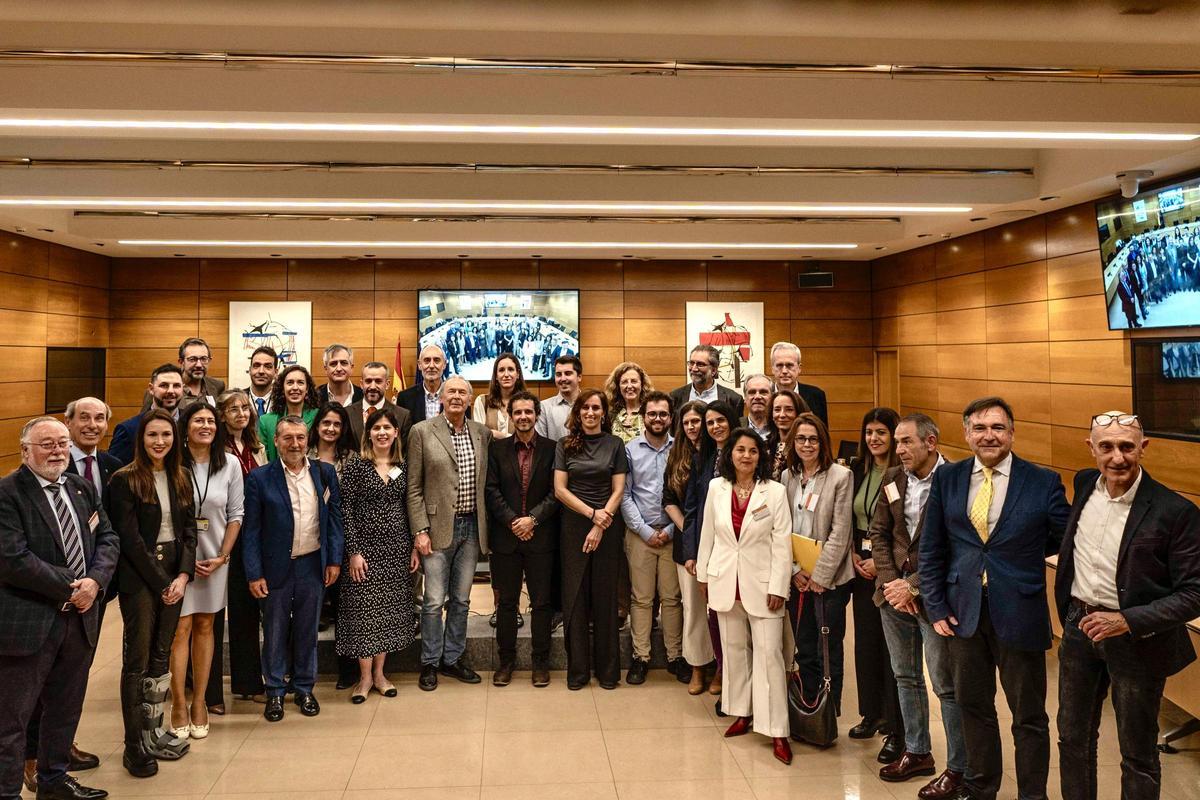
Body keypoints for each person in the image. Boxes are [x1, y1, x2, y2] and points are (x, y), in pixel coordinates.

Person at [920, 397, 1070, 800]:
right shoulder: (948, 479)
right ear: (967, 434)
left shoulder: (1042, 481)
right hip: (961, 614)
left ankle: (1032, 795)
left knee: (1029, 716)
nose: (989, 436)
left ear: (1012, 433)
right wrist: (934, 605)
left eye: (998, 428)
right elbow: (932, 548)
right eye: (980, 428)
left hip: (1020, 612)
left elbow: (1063, 540)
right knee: (973, 707)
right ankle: (981, 786)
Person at [1055, 412, 1200, 800]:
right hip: (1078, 629)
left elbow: (1194, 593)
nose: (1117, 457)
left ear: (1143, 448)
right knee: (1072, 738)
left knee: (1137, 752)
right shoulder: (1085, 484)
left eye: (1126, 447)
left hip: (1137, 641)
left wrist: (1126, 620)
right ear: (1091, 449)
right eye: (1106, 447)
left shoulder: (1175, 511)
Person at [0, 417, 118, 800]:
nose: (57, 451)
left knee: (64, 708)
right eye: (47, 444)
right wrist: (71, 587)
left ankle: (53, 781)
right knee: (12, 719)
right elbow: (13, 559)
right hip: (30, 620)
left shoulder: (81, 488)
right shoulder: (8, 494)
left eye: (62, 444)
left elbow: (108, 538)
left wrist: (96, 581)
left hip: (80, 620)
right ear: (25, 451)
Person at [870, 413, 965, 799]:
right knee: (905, 676)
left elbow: (958, 546)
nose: (900, 449)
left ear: (932, 442)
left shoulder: (957, 480)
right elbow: (879, 533)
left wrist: (913, 587)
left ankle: (958, 768)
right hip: (892, 595)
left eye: (907, 441)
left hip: (935, 598)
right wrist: (894, 584)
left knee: (945, 685)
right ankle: (918, 751)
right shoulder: (893, 478)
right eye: (898, 442)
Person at [697, 427, 793, 766]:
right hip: (724, 582)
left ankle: (777, 729)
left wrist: (779, 586)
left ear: (761, 456)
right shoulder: (716, 488)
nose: (746, 456)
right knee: (734, 653)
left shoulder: (776, 492)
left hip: (763, 586)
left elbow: (783, 543)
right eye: (740, 450)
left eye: (753, 450)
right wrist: (704, 575)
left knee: (770, 656)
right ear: (730, 454)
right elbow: (707, 533)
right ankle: (741, 712)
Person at [109, 410, 197, 777]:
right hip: (141, 581)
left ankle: (155, 731)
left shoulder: (181, 475)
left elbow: (190, 530)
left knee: (161, 660)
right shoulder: (124, 479)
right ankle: (133, 746)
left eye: (166, 435)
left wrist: (183, 575)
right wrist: (164, 583)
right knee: (137, 661)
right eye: (152, 436)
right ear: (140, 440)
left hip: (174, 577)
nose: (159, 442)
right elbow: (129, 540)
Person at [241, 416, 345, 723]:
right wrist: (254, 573)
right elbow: (251, 531)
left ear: (307, 440)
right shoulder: (260, 478)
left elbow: (334, 521)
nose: (295, 444)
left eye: (300, 438)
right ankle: (274, 690)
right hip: (275, 568)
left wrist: (334, 560)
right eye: (288, 438)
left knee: (307, 629)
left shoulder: (324, 474)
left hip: (313, 564)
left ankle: (304, 687)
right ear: (276, 441)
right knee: (274, 630)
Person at [407, 375, 492, 691]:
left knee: (461, 600)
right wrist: (420, 530)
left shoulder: (482, 434)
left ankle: (452, 659)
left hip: (472, 528)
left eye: (462, 392)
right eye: (450, 391)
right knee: (432, 601)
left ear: (470, 400)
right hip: (436, 529)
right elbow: (413, 487)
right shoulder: (421, 432)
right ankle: (430, 661)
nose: (456, 396)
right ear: (440, 398)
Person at [167, 403, 244, 741]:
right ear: (185, 428)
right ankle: (179, 703)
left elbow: (236, 514)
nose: (206, 425)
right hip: (177, 562)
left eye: (211, 421)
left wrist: (223, 557)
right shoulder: (171, 464)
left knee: (205, 625)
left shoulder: (229, 465)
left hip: (215, 558)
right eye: (198, 420)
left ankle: (201, 701)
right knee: (180, 627)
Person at [338, 407, 418, 703]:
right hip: (364, 552)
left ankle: (381, 675)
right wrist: (354, 552)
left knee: (386, 613)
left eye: (387, 427)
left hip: (396, 550)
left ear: (396, 433)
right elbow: (344, 510)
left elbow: (410, 507)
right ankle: (364, 678)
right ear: (368, 433)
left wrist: (412, 545)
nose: (382, 432)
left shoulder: (404, 465)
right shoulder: (357, 466)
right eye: (376, 428)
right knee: (362, 613)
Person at [554, 388, 629, 689]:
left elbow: (619, 489)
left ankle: (608, 672)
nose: (590, 413)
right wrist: (591, 515)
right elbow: (560, 489)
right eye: (585, 408)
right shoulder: (564, 445)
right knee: (575, 598)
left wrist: (601, 522)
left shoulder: (615, 444)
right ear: (578, 412)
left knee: (605, 597)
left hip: (608, 528)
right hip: (574, 526)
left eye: (596, 407)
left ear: (603, 412)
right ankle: (579, 672)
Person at [484, 390, 560, 687]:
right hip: (506, 539)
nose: (524, 417)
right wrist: (514, 521)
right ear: (511, 416)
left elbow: (557, 492)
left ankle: (540, 662)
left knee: (542, 603)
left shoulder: (553, 449)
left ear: (537, 415)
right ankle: (506, 661)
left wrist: (533, 520)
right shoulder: (497, 450)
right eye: (518, 412)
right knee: (507, 604)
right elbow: (490, 490)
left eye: (529, 412)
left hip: (541, 538)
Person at [781, 411, 855, 713]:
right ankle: (808, 707)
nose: (807, 444)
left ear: (822, 442)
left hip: (829, 581)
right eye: (800, 438)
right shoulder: (788, 477)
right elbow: (781, 527)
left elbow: (841, 531)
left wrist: (820, 576)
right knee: (805, 647)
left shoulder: (840, 476)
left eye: (813, 439)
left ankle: (828, 711)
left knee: (828, 649)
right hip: (797, 577)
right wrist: (795, 571)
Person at [849, 408, 905, 763]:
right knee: (865, 643)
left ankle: (895, 724)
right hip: (860, 565)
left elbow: (902, 528)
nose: (874, 439)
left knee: (893, 649)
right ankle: (871, 713)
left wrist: (880, 563)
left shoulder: (901, 474)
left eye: (882, 432)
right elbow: (849, 516)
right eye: (869, 432)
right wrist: (855, 555)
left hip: (891, 569)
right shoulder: (858, 469)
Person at [619, 391, 683, 684]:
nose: (658, 419)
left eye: (663, 414)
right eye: (652, 414)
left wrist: (670, 530)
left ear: (671, 418)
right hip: (639, 535)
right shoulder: (629, 450)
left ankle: (675, 656)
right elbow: (625, 495)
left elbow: (686, 495)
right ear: (643, 417)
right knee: (641, 599)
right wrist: (645, 531)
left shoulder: (681, 450)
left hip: (673, 533)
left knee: (672, 598)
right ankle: (640, 658)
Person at [682, 401, 741, 696]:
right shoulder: (702, 458)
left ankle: (727, 671)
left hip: (737, 548)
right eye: (710, 423)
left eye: (720, 420)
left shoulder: (744, 454)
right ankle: (708, 667)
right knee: (706, 612)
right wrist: (692, 552)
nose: (716, 427)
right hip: (708, 547)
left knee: (731, 614)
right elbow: (692, 508)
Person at [217, 391, 267, 704]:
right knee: (211, 614)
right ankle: (204, 688)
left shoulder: (256, 447)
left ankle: (248, 683)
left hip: (254, 534)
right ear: (222, 415)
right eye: (233, 409)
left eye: (244, 408)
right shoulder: (216, 450)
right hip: (222, 535)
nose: (240, 413)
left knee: (246, 610)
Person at [663, 399, 713, 693]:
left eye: (698, 421)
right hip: (688, 544)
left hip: (722, 544)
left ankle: (720, 669)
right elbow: (668, 500)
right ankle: (697, 667)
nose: (693, 427)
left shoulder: (718, 456)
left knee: (719, 611)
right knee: (693, 609)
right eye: (687, 422)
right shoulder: (676, 456)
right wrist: (692, 532)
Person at [111, 364, 184, 464]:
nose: (171, 391)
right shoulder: (129, 429)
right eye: (164, 385)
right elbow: (115, 471)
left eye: (176, 386)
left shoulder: (191, 424)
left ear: (183, 389)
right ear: (151, 389)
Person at [141, 338, 225, 413]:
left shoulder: (217, 386)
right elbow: (144, 421)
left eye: (204, 359)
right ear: (181, 362)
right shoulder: (160, 388)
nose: (199, 365)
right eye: (192, 359)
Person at [64, 397, 121, 505]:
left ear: (106, 424)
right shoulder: (56, 464)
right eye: (84, 418)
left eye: (99, 418)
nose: (92, 425)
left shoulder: (114, 465)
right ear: (68, 422)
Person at [258, 365, 320, 460]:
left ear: (307, 389)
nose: (295, 387)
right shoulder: (266, 421)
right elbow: (263, 459)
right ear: (282, 388)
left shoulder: (318, 416)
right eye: (290, 383)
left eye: (300, 383)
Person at [347, 361, 410, 447]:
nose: (372, 386)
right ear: (361, 384)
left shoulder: (403, 416)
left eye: (378, 381)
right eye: (368, 381)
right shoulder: (347, 413)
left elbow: (402, 453)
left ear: (387, 384)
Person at [770, 341, 828, 427]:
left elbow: (823, 434)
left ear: (799, 368)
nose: (784, 371)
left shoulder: (816, 395)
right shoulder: (765, 396)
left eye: (789, 365)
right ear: (772, 369)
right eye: (779, 365)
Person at [669, 344, 743, 410]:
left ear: (713, 370)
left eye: (700, 364)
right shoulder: (675, 397)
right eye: (691, 363)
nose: (694, 369)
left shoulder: (733, 399)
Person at [473, 352, 526, 439]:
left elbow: (527, 438)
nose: (506, 375)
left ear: (518, 374)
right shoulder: (482, 401)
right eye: (501, 370)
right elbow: (479, 437)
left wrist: (499, 435)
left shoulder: (527, 403)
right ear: (496, 376)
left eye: (511, 369)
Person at [396, 344, 448, 424]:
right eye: (427, 360)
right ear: (419, 365)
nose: (431, 366)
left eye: (436, 360)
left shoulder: (455, 396)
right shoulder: (404, 398)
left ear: (444, 364)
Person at [536, 354, 583, 442]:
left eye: (568, 373)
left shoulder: (590, 406)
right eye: (558, 374)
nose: (563, 378)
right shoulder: (544, 407)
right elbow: (541, 445)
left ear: (579, 377)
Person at [606, 361, 654, 444]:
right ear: (618, 387)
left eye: (634, 381)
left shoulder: (651, 413)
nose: (629, 386)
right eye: (624, 382)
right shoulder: (610, 416)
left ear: (642, 385)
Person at [766, 389, 808, 481]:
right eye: (777, 409)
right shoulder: (765, 446)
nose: (782, 415)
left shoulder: (806, 447)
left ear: (799, 413)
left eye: (789, 409)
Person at [309, 403, 358, 476]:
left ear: (342, 429)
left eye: (337, 424)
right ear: (317, 426)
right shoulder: (304, 454)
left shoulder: (352, 458)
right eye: (326, 423)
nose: (331, 429)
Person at [738, 374, 774, 441]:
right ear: (745, 398)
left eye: (763, 392)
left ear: (772, 397)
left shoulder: (779, 426)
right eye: (752, 392)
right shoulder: (735, 426)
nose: (757, 397)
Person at [244, 346, 278, 417]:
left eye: (268, 366)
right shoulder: (239, 398)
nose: (261, 371)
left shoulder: (282, 400)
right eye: (256, 366)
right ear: (250, 370)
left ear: (276, 372)